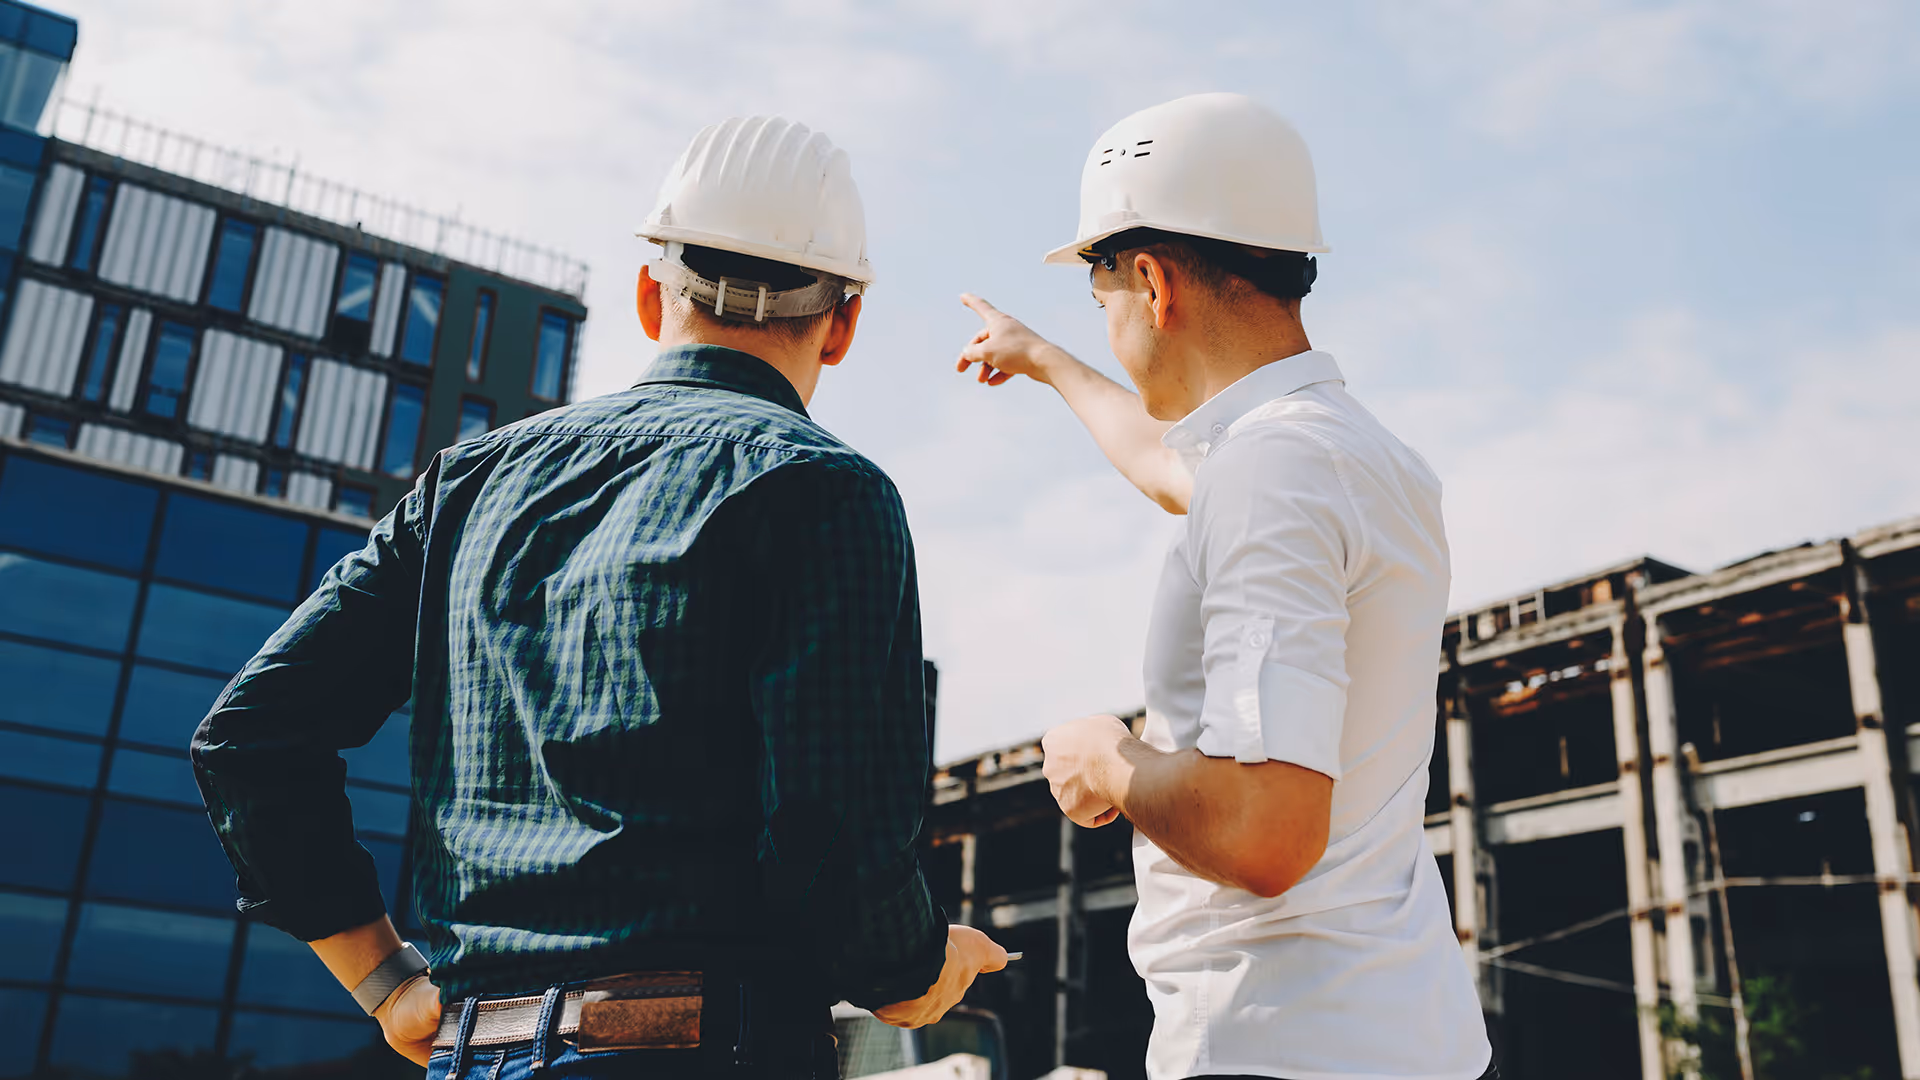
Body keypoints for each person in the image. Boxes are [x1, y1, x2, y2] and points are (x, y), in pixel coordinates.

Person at [192, 114, 1005, 1080]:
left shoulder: (471, 483)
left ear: (649, 295)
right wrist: (913, 964)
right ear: (845, 323)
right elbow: (831, 833)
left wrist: (383, 982)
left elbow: (249, 736)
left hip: (472, 1054)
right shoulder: (825, 490)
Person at [955, 93, 1494, 1080]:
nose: (1108, 329)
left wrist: (1106, 759)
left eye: (1101, 303)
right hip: (1414, 1036)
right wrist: (1045, 361)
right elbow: (1174, 470)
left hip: (1273, 1041)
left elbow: (1264, 828)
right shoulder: (1362, 459)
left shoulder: (1268, 473)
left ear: (1153, 282)